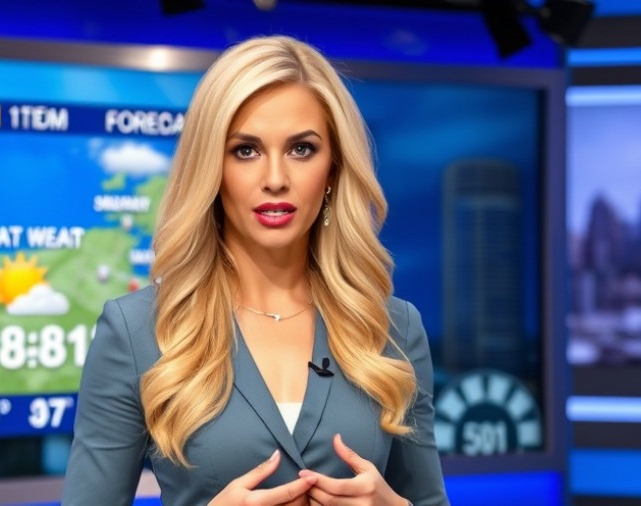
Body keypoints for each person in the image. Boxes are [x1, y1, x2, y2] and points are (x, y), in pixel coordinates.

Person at [62, 35, 449, 506]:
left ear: (333, 169)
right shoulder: (135, 331)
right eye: (245, 150)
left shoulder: (395, 329)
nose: (274, 178)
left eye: (301, 149)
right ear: (212, 167)